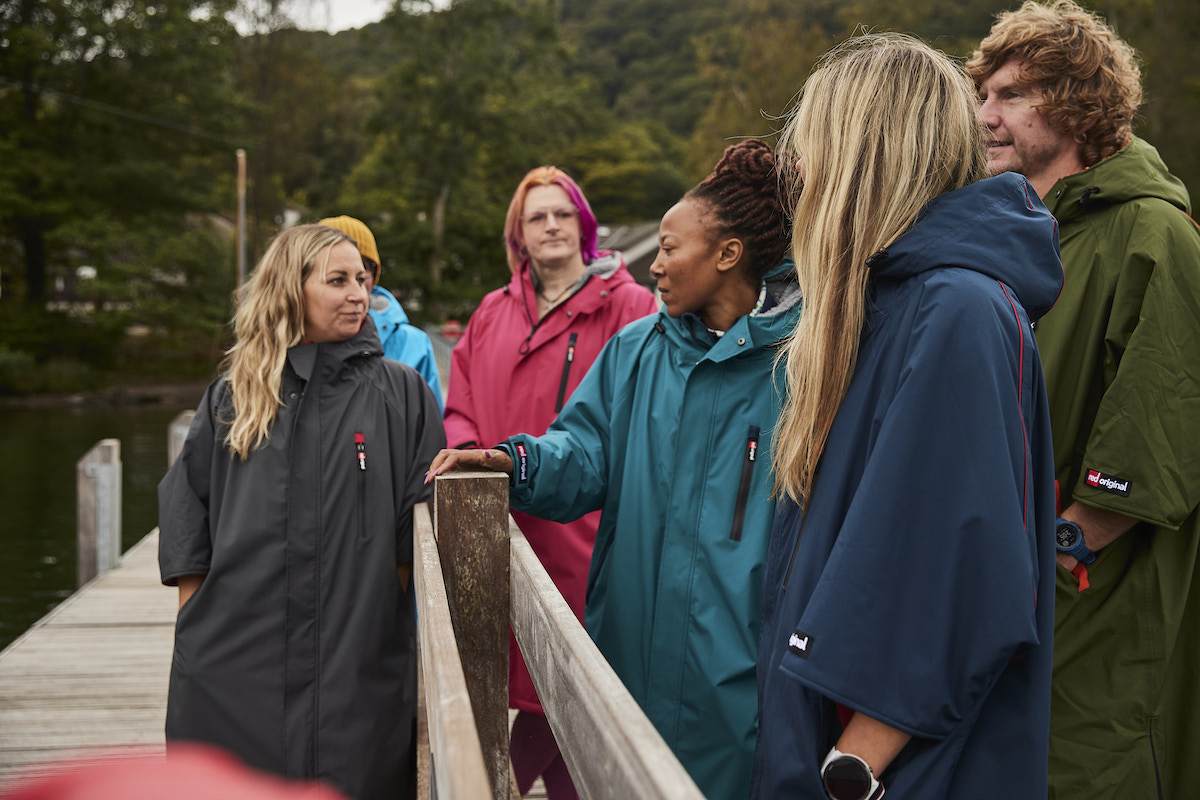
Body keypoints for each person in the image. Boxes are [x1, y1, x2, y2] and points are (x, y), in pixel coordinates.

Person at [430, 139, 801, 799]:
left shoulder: (801, 368)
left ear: (727, 255)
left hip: (739, 687)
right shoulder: (638, 350)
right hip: (626, 665)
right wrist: (515, 461)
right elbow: (584, 451)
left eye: (667, 247)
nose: (652, 264)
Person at [753, 34, 1062, 799]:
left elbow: (957, 580)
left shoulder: (956, 309)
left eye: (815, 146)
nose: (801, 174)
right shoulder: (888, 303)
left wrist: (847, 772)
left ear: (865, 156)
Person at [969, 4, 1200, 797]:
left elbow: (1151, 449)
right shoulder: (1020, 234)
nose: (985, 116)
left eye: (1009, 96)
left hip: (1096, 609)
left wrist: (1057, 560)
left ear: (1073, 101)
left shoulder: (1153, 235)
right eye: (983, 95)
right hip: (1013, 606)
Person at [157, 224, 445, 800]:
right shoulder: (234, 394)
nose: (358, 294)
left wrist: (383, 609)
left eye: (361, 280)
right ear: (292, 290)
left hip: (355, 658)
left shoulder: (401, 391)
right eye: (337, 281)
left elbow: (423, 523)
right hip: (237, 660)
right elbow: (188, 507)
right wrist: (196, 618)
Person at [442, 167, 656, 798]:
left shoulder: (631, 307)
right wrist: (467, 460)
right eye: (538, 216)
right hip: (500, 526)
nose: (552, 225)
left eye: (564, 214)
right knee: (520, 679)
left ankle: (488, 781)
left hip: (584, 531)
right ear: (519, 235)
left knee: (570, 683)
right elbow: (462, 403)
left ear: (585, 228)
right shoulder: (491, 312)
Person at [318, 214, 443, 407]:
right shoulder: (284, 345)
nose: (354, 290)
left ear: (374, 275)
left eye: (362, 270)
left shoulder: (413, 344)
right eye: (337, 276)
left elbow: (431, 425)